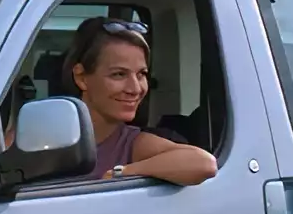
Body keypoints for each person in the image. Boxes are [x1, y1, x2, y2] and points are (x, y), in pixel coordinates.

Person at [61, 17, 218, 186]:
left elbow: (204, 164)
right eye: (119, 74)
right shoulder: (49, 137)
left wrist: (122, 173)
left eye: (141, 74)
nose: (135, 88)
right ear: (81, 77)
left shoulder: (133, 143)